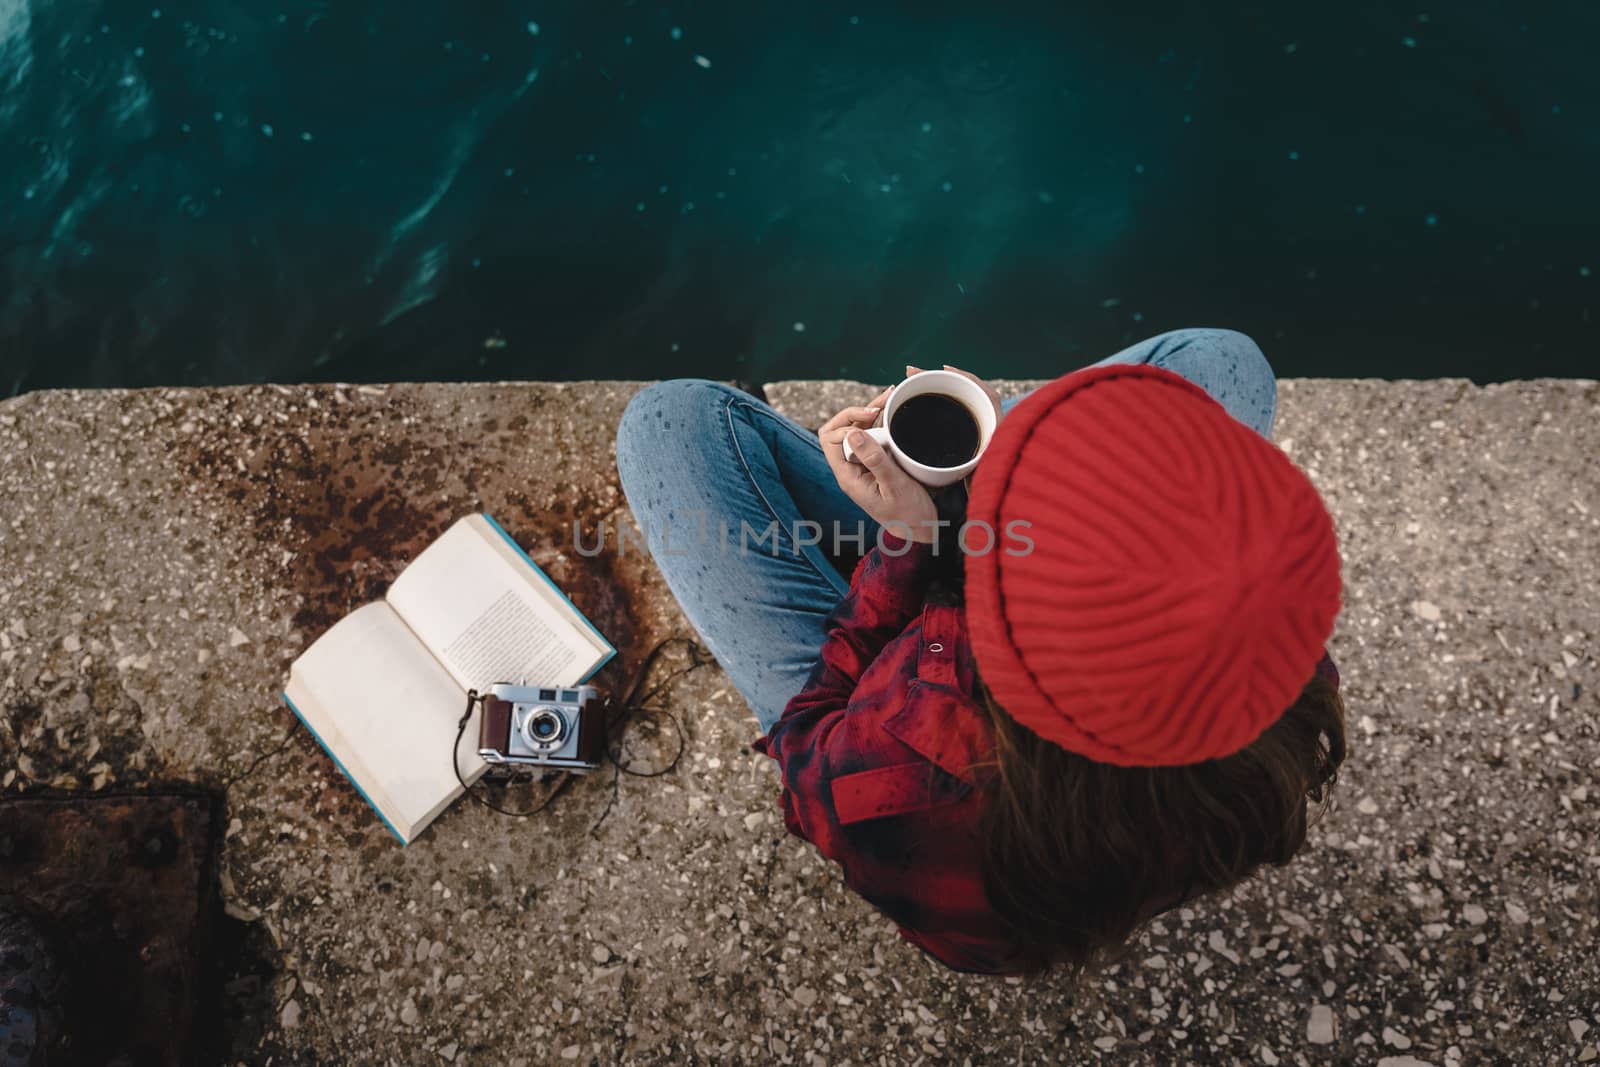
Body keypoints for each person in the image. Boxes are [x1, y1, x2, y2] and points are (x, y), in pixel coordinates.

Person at [613, 329, 1346, 979]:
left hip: (903, 735)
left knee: (670, 424)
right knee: (1222, 361)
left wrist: (913, 542)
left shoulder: (903, 774)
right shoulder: (1267, 675)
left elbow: (808, 754)